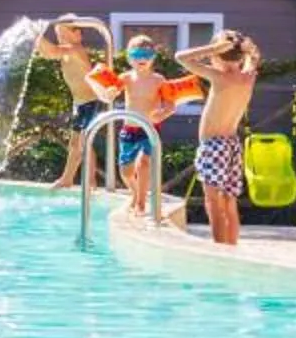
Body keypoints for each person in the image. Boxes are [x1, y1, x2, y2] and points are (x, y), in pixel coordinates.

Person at [83, 33, 205, 221]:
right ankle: (135, 193)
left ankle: (140, 203)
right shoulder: (126, 78)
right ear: (129, 58)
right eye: (136, 55)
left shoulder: (158, 80)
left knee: (144, 163)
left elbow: (171, 106)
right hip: (129, 129)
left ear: (153, 58)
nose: (141, 60)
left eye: (145, 55)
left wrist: (162, 114)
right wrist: (108, 92)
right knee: (126, 171)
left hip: (149, 129)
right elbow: (109, 96)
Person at [178, 32, 263, 247]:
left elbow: (180, 57)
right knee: (229, 201)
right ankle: (231, 246)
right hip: (232, 145)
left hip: (214, 146)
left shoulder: (219, 77)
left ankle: (219, 248)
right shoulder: (248, 76)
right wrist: (248, 50)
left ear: (218, 56)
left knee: (213, 201)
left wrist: (212, 49)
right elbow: (255, 57)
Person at [37, 20, 110, 188]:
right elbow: (48, 54)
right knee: (76, 144)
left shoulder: (76, 49)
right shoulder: (67, 51)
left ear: (78, 34)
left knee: (83, 142)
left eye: (63, 34)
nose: (60, 37)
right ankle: (71, 179)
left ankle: (87, 181)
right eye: (58, 35)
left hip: (90, 102)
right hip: (80, 103)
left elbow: (53, 51)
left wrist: (35, 35)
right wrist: (36, 41)